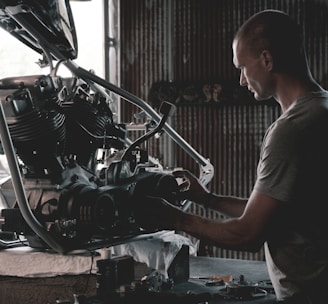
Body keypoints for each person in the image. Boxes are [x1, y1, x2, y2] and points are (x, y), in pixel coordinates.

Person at [136, 9, 328, 304]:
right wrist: (207, 199)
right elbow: (274, 214)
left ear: (266, 60)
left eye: (242, 68)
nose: (240, 80)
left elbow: (248, 234)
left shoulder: (291, 130)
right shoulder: (320, 110)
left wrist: (175, 218)